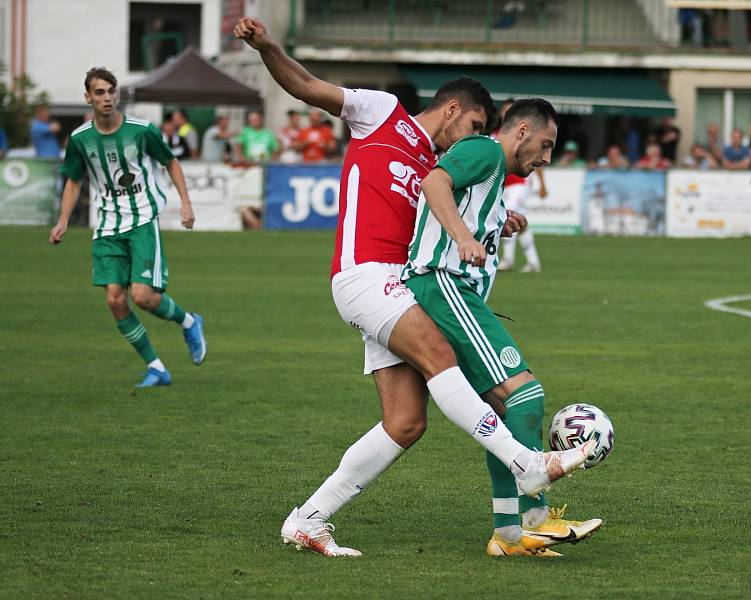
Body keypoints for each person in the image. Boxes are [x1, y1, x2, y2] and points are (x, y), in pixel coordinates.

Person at [234, 16, 593, 558]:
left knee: (405, 423)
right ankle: (528, 466)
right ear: (453, 109)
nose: (473, 137)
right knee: (440, 352)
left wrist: (495, 221)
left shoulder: (436, 161)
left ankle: (308, 519)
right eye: (473, 124)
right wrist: (267, 47)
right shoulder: (383, 114)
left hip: (393, 285)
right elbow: (308, 87)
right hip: (364, 274)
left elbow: (447, 203)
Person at [403, 97, 600, 558]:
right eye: (545, 145)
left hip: (449, 291)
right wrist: (464, 236)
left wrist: (497, 224)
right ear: (523, 130)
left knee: (504, 417)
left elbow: (462, 200)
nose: (547, 158)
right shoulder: (487, 150)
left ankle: (509, 536)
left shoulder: (494, 177)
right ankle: (534, 519)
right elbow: (435, 181)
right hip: (442, 285)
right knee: (526, 396)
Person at [48, 67, 207, 387]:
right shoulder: (80, 139)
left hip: (142, 220)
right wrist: (63, 220)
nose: (107, 98)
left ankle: (189, 321)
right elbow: (73, 181)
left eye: (111, 91)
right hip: (107, 226)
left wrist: (185, 203)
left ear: (117, 94)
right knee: (115, 300)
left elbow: (170, 162)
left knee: (144, 297)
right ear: (88, 97)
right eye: (99, 92)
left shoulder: (141, 130)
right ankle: (157, 367)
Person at [493, 100, 545, 273]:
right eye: (505, 110)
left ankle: (508, 259)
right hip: (503, 185)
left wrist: (542, 184)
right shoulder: (495, 135)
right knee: (520, 223)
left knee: (508, 217)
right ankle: (533, 261)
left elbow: (534, 160)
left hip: (519, 185)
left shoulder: (524, 137)